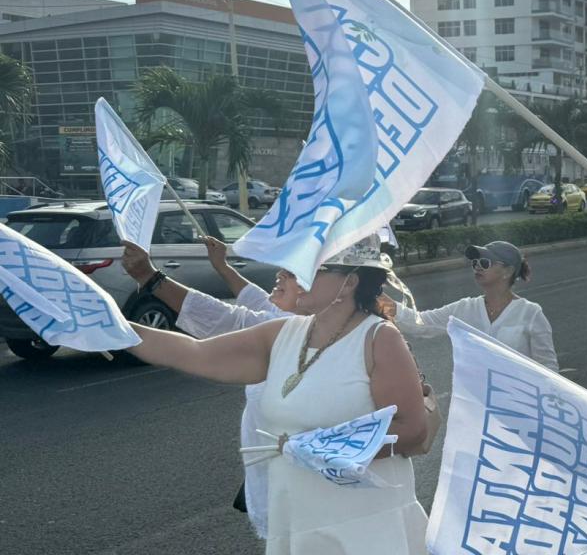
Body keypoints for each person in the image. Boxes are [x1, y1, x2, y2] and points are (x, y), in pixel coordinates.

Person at [123, 235, 430, 554]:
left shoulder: (379, 338)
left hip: (363, 527)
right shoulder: (283, 333)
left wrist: (319, 446)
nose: (293, 274)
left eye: (311, 268)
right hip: (299, 520)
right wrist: (103, 323)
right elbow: (192, 352)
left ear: (348, 283)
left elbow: (411, 429)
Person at [121, 236, 302, 537]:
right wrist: (222, 266)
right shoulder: (288, 319)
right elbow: (252, 299)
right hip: (279, 485)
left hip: (304, 497)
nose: (279, 275)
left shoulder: (294, 332)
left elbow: (220, 321)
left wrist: (147, 280)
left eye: (292, 273)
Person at [394, 241, 558, 371]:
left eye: (485, 263)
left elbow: (549, 371)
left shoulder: (530, 313)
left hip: (517, 406)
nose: (478, 266)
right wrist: (378, 298)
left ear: (507, 271)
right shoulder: (465, 308)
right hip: (475, 406)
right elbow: (420, 323)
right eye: (475, 263)